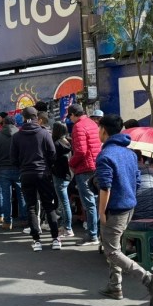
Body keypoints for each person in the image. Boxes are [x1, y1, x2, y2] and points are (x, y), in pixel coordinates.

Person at [95, 113, 153, 306]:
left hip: (114, 209)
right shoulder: (130, 153)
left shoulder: (105, 155)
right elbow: (137, 180)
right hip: (129, 206)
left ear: (104, 131)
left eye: (99, 129)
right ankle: (115, 286)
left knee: (111, 251)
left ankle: (148, 278)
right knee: (114, 246)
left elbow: (105, 187)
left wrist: (101, 213)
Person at [11, 106, 61, 252]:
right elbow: (52, 154)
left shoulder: (17, 136)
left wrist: (23, 167)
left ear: (23, 117)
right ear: (36, 117)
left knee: (31, 207)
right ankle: (55, 239)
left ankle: (36, 241)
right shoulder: (44, 133)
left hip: (26, 174)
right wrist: (46, 165)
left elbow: (13, 159)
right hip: (43, 173)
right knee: (48, 205)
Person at [67, 103, 102, 246]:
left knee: (89, 203)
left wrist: (71, 163)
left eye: (70, 116)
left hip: (85, 167)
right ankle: (98, 232)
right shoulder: (93, 124)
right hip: (96, 164)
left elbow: (80, 151)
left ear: (73, 115)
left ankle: (92, 235)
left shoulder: (78, 127)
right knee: (97, 201)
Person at [0, 115, 27, 230]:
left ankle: (7, 222)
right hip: (18, 168)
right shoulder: (20, 134)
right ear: (15, 123)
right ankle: (24, 219)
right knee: (21, 195)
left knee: (6, 196)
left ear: (4, 123)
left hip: (3, 168)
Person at [51, 121, 73, 238]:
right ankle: (65, 226)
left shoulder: (56, 144)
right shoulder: (68, 142)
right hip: (68, 175)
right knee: (64, 202)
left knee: (64, 203)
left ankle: (68, 227)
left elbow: (51, 158)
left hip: (59, 175)